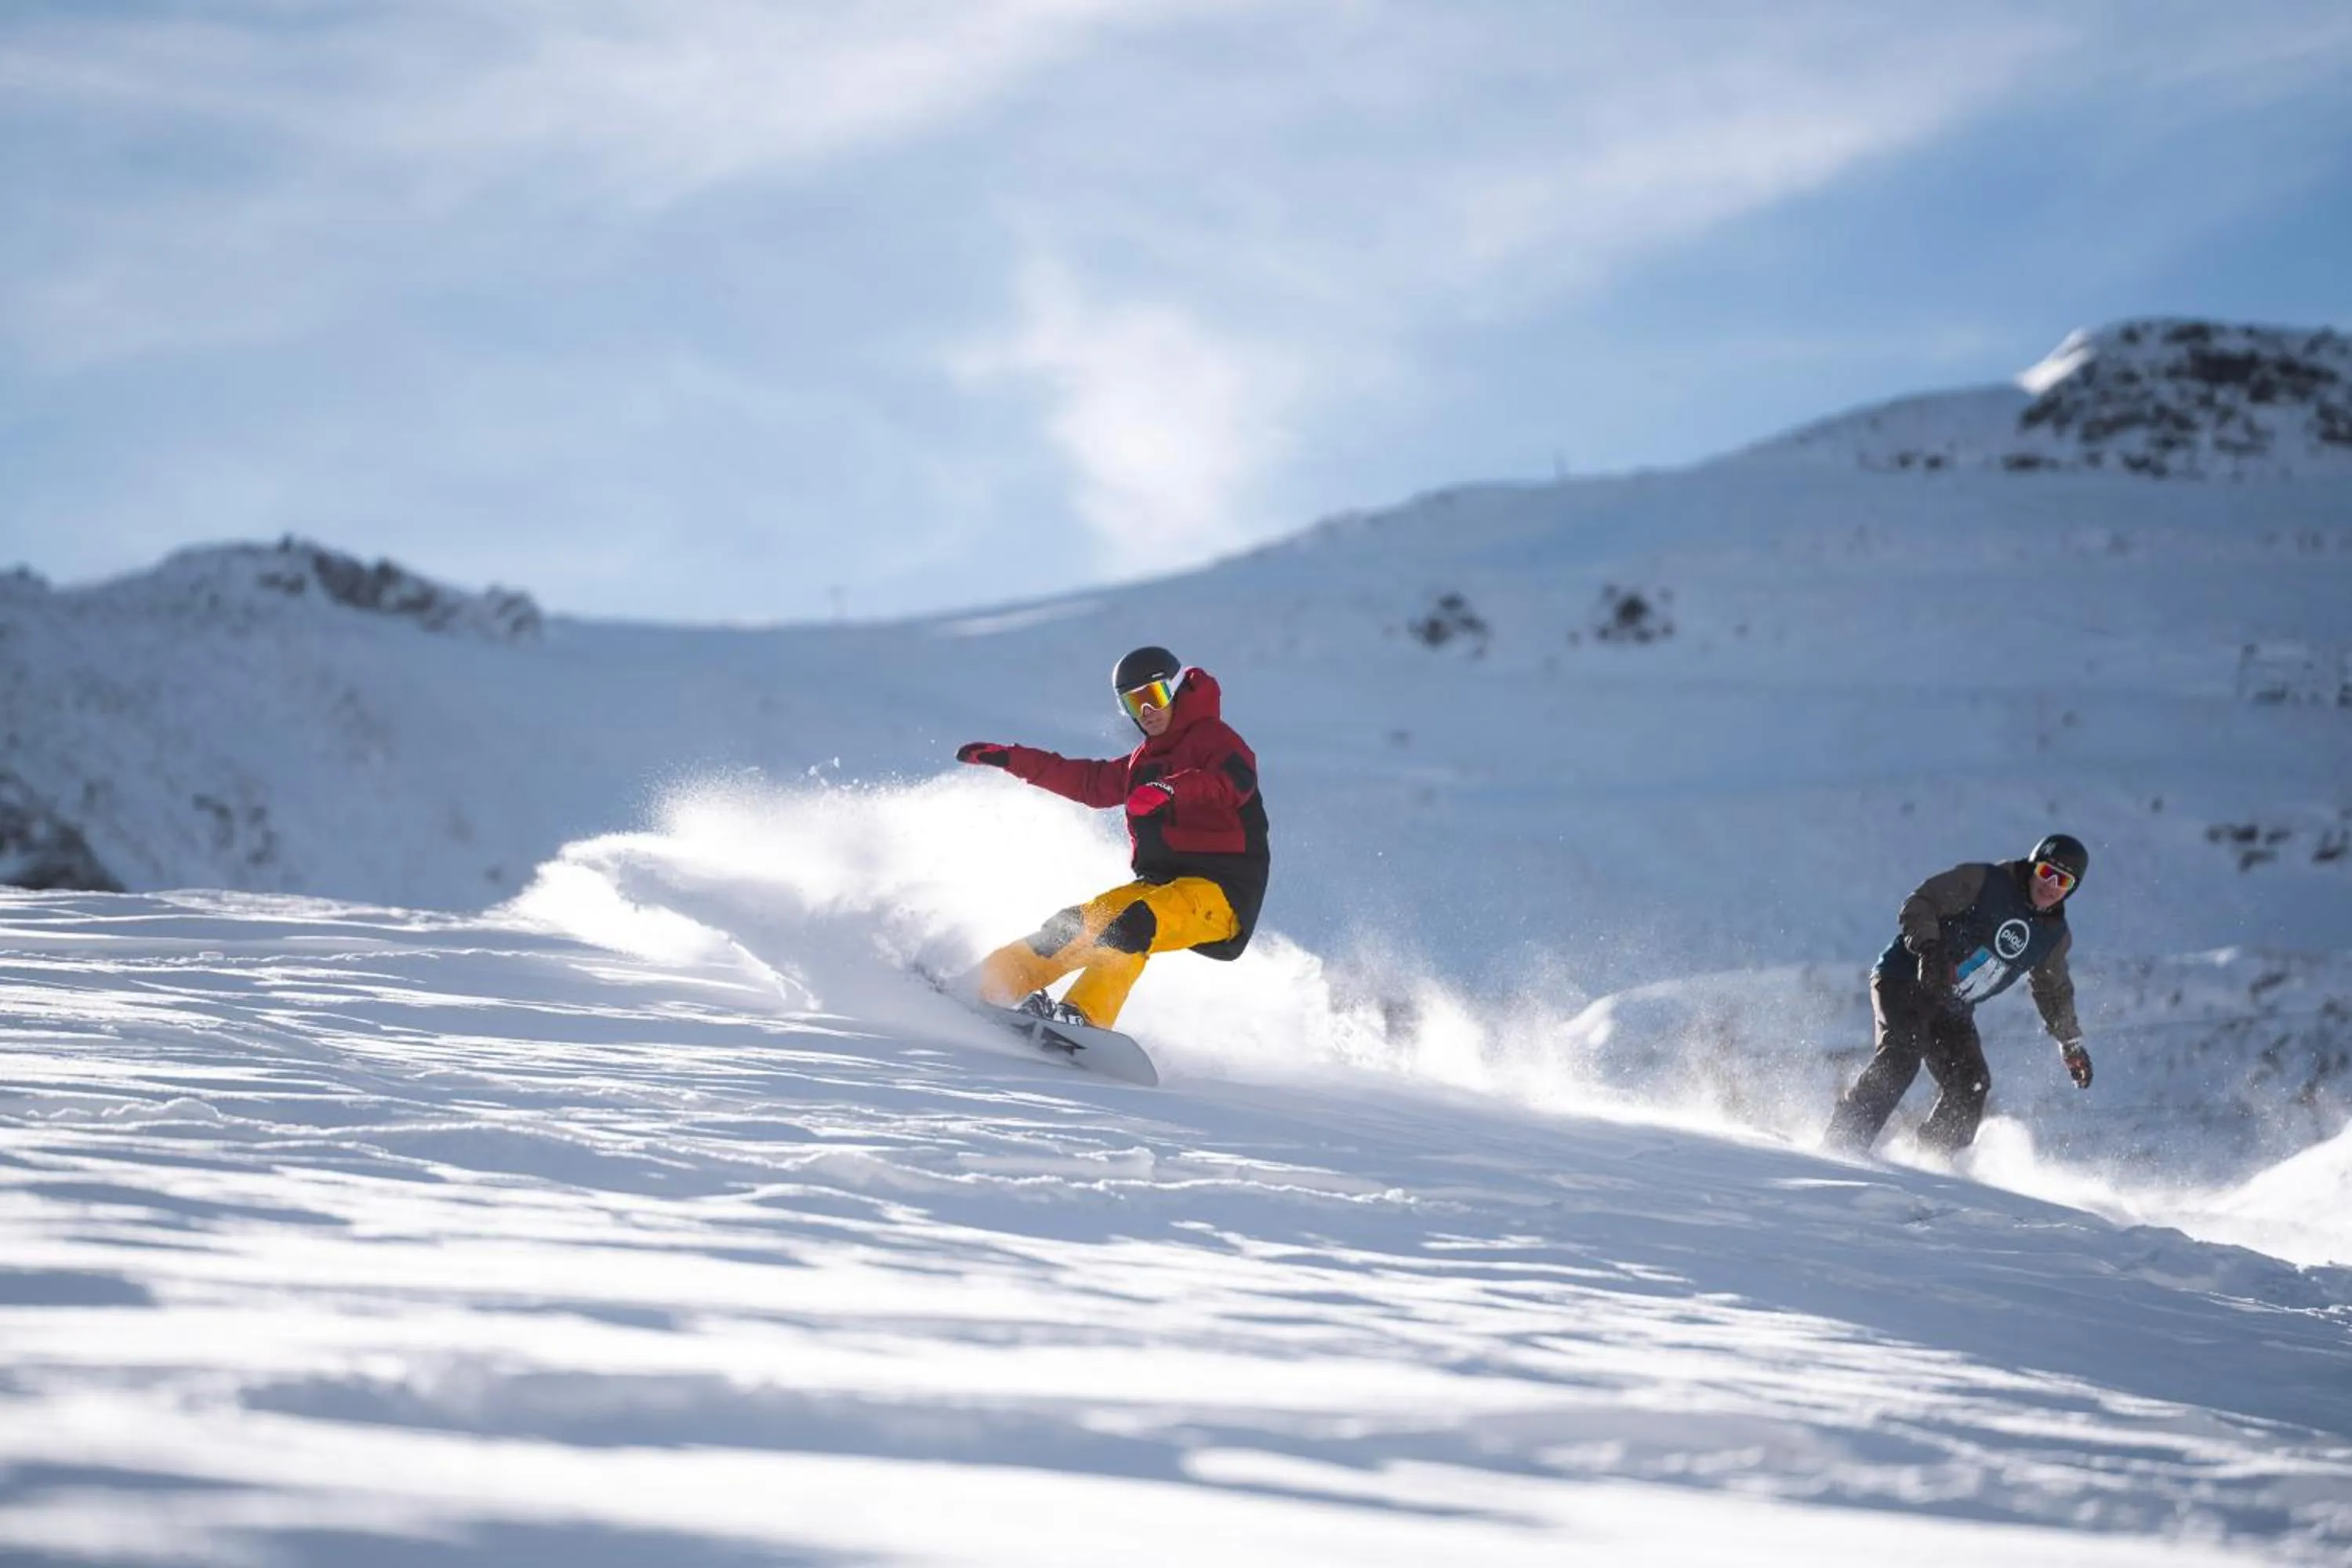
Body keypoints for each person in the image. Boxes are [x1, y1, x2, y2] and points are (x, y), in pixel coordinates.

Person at [953, 645, 1271, 1029]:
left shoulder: (1217, 740)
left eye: (1153, 696)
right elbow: (1089, 782)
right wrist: (1012, 759)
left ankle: (1083, 1017)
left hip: (1221, 891)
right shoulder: (1144, 761)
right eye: (1134, 703)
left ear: (1176, 690)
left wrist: (1171, 789)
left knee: (1133, 924)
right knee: (1075, 925)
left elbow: (1232, 783)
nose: (1147, 711)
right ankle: (987, 985)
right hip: (1158, 885)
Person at [1824, 833, 2093, 1155]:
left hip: (1951, 1006)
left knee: (1971, 1083)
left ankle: (1932, 1163)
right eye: (2047, 872)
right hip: (1905, 979)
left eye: (2063, 881)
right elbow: (1921, 902)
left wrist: (2070, 1042)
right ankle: (1841, 1145)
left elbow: (2053, 990)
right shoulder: (1985, 882)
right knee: (1902, 1057)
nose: (2050, 886)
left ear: (2071, 890)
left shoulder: (2052, 937)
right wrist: (1929, 950)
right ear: (2034, 866)